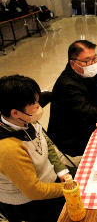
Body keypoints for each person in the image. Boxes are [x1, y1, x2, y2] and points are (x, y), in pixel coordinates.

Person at [0, 75, 73, 222]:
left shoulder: (25, 120)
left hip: (51, 179)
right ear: (15, 113)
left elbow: (48, 146)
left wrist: (62, 171)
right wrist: (68, 188)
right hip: (31, 203)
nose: (39, 107)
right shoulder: (8, 149)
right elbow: (34, 191)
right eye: (35, 104)